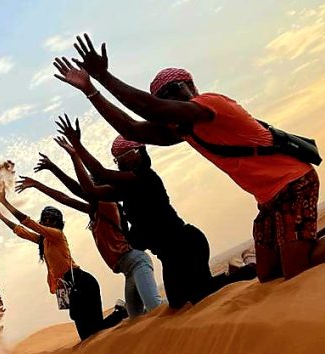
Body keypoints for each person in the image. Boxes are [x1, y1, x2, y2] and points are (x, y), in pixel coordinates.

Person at [53, 35, 325, 283]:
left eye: (173, 92)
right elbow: (134, 125)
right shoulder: (185, 129)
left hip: (292, 182)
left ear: (188, 89)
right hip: (270, 199)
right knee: (268, 273)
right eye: (166, 95)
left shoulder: (210, 106)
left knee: (297, 269)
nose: (170, 98)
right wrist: (90, 93)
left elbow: (146, 108)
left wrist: (102, 76)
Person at [52, 114, 215, 310]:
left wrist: (78, 145)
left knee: (203, 298)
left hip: (185, 246)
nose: (118, 163)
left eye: (121, 157)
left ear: (137, 152)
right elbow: (89, 191)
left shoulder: (144, 178)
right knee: (179, 303)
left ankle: (244, 269)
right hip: (170, 255)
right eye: (116, 159)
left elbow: (100, 173)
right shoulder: (126, 189)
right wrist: (74, 157)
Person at [15, 151, 163, 318]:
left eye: (92, 187)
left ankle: (189, 304)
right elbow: (65, 199)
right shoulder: (94, 211)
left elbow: (75, 192)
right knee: (136, 316)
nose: (89, 190)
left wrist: (67, 161)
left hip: (136, 262)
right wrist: (40, 182)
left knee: (155, 308)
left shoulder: (107, 204)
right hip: (127, 269)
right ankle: (123, 310)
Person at [0, 191, 126, 341]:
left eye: (51, 220)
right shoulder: (45, 241)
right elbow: (21, 231)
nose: (47, 222)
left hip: (83, 283)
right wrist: (0, 216)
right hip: (71, 287)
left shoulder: (57, 235)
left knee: (95, 331)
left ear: (57, 223)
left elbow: (28, 222)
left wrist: (4, 201)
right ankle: (120, 312)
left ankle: (120, 312)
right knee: (87, 336)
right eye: (45, 219)